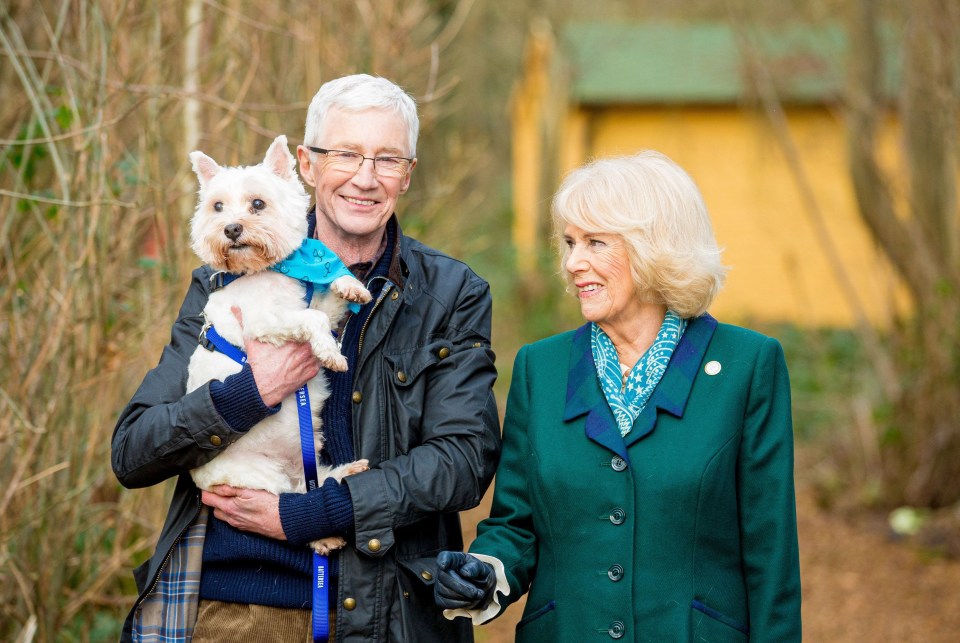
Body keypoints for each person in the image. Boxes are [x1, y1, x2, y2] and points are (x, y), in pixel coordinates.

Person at [112, 74, 501, 642]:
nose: (365, 178)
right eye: (346, 153)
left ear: (408, 175)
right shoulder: (223, 280)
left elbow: (464, 459)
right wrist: (250, 392)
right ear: (306, 165)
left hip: (388, 616)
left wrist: (310, 515)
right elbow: (134, 450)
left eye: (388, 159)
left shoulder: (448, 294)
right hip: (238, 611)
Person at [434, 151, 802, 641]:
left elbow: (770, 553)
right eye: (569, 243)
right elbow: (516, 525)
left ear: (655, 247)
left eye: (594, 243)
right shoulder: (539, 369)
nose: (572, 263)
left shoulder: (747, 365)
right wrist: (487, 574)